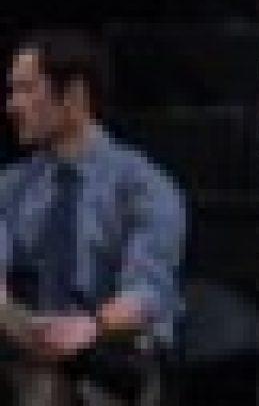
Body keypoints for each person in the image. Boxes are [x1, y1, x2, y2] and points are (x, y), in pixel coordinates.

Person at [0, 30, 185, 406]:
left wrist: (90, 326)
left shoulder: (143, 186)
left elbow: (148, 292)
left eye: (26, 89)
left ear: (74, 95)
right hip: (28, 345)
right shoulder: (10, 187)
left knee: (60, 378)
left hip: (109, 351)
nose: (12, 105)